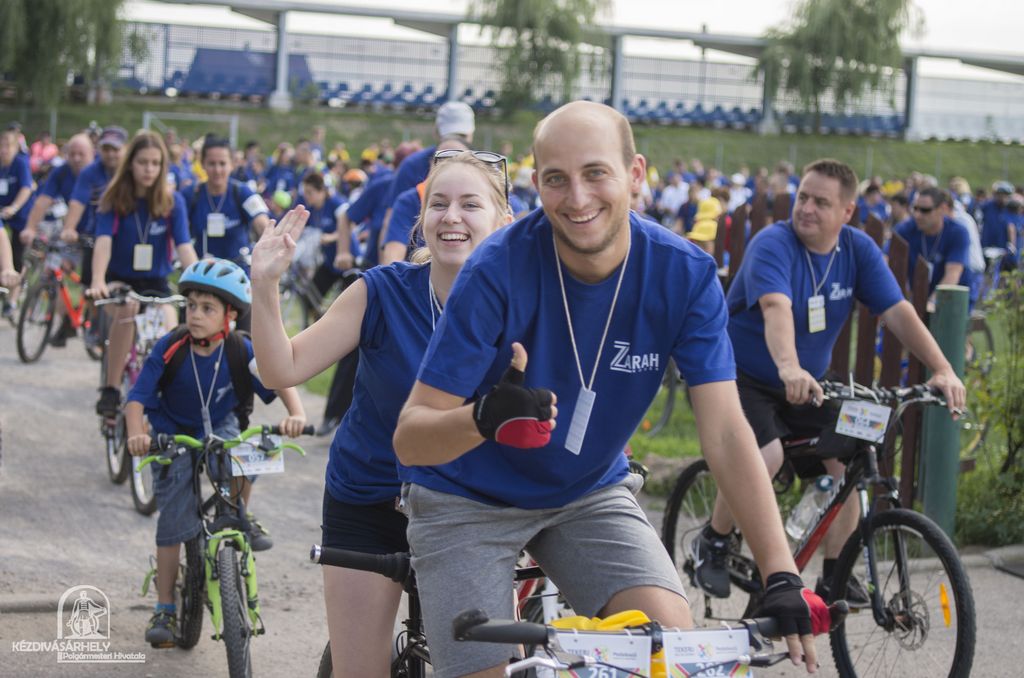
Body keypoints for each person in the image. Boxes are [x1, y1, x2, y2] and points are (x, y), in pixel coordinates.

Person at [391, 101, 828, 678]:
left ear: (636, 175)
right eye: (556, 179)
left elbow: (724, 431)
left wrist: (780, 573)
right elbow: (410, 439)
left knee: (670, 656)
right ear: (537, 185)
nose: (577, 198)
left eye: (595, 172)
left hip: (586, 492)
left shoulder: (684, 274)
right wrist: (482, 418)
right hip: (464, 501)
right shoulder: (496, 269)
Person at [250, 151, 512, 677]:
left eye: (469, 204)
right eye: (438, 204)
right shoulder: (381, 291)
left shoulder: (523, 302)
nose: (451, 217)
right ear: (421, 220)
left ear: (503, 222)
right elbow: (282, 369)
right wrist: (264, 283)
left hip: (472, 510)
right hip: (370, 500)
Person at [697, 160, 965, 605]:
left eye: (822, 202)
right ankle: (716, 539)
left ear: (847, 211)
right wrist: (788, 367)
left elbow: (897, 311)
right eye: (803, 197)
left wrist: (943, 368)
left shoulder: (856, 251)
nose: (806, 209)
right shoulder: (773, 244)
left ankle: (835, 574)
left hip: (809, 381)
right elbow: (775, 308)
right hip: (742, 376)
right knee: (763, 455)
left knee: (854, 455)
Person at [125, 258, 307, 647]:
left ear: (229, 315)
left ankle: (239, 511)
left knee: (248, 449)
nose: (195, 315)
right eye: (190, 306)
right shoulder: (171, 346)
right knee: (174, 517)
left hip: (221, 425)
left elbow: (277, 376)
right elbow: (137, 399)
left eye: (207, 308)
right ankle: (165, 607)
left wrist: (297, 413)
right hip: (172, 431)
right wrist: (135, 434)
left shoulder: (241, 349)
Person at [88, 130, 198, 417]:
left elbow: (184, 246)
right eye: (142, 162)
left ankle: (166, 395)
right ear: (130, 164)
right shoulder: (112, 200)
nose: (149, 169)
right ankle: (111, 389)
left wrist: (200, 279)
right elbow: (103, 242)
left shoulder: (173, 203)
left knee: (172, 331)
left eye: (155, 163)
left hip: (156, 282)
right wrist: (98, 279)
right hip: (119, 280)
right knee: (127, 310)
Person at [21, 134, 95, 346]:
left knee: (92, 283)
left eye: (82, 154)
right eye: (72, 154)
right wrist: (30, 227)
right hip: (69, 234)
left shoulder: (97, 173)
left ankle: (93, 319)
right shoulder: (61, 173)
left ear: (91, 154)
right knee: (55, 272)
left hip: (95, 233)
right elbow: (43, 201)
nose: (77, 158)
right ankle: (66, 320)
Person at [182, 135, 271, 265]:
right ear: (202, 164)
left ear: (232, 164)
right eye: (212, 163)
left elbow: (263, 223)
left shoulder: (242, 192)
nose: (217, 170)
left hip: (238, 270)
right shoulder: (191, 194)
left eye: (222, 163)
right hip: (202, 271)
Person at [60, 126, 128, 294]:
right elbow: (77, 201)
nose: (111, 154)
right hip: (96, 234)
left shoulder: (131, 171)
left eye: (115, 149)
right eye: (106, 149)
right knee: (91, 289)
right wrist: (69, 228)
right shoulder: (90, 172)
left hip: (126, 235)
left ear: (125, 149)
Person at [894, 187, 979, 309]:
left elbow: (953, 274)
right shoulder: (905, 229)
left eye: (925, 210)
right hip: (918, 298)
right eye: (915, 208)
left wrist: (931, 304)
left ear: (942, 209)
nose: (917, 215)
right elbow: (888, 261)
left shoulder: (957, 232)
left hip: (953, 301)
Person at [0, 127, 34, 320]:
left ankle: (13, 298)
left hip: (20, 215)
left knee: (17, 256)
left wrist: (14, 207)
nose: (4, 150)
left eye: (8, 146)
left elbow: (26, 188)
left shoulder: (20, 164)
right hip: (3, 213)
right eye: (1, 146)